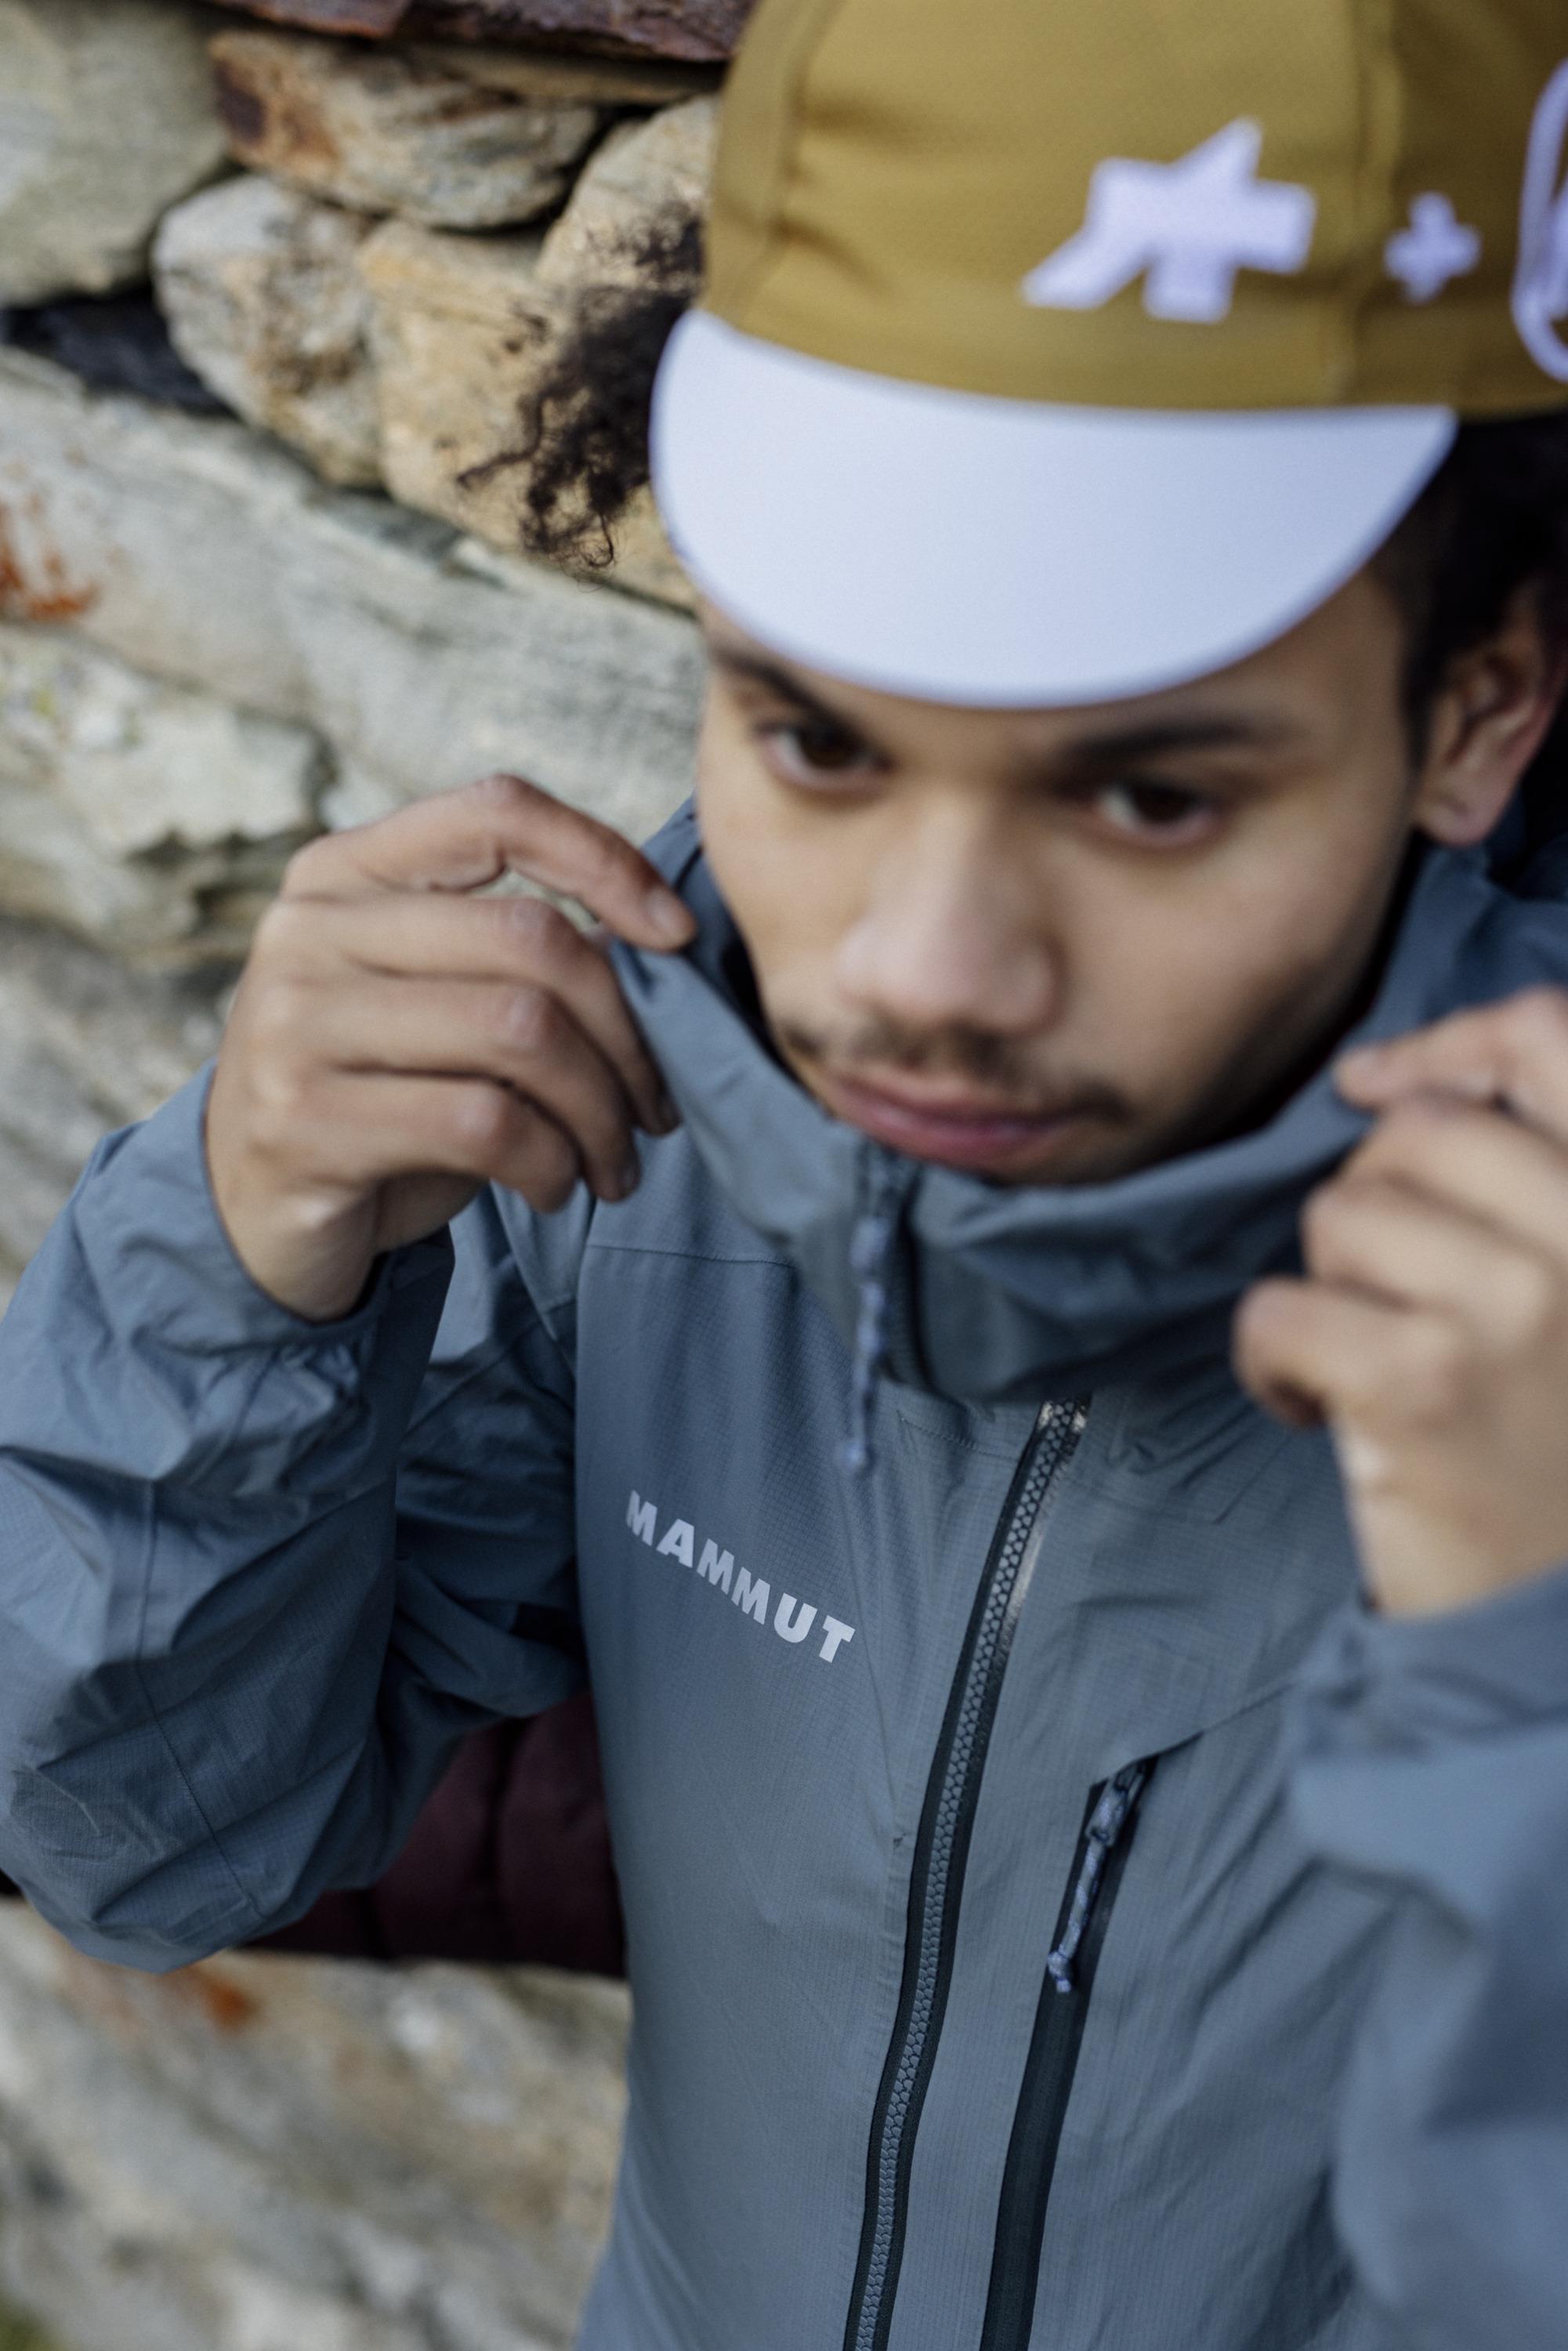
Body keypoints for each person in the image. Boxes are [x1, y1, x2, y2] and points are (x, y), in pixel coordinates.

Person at [2, 0, 1568, 2345]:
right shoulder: (663, 1104)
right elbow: (137, 1839)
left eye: (1152, 795)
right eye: (820, 741)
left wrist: (1517, 1705)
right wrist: (225, 1273)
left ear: (1475, 709)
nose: (917, 974)